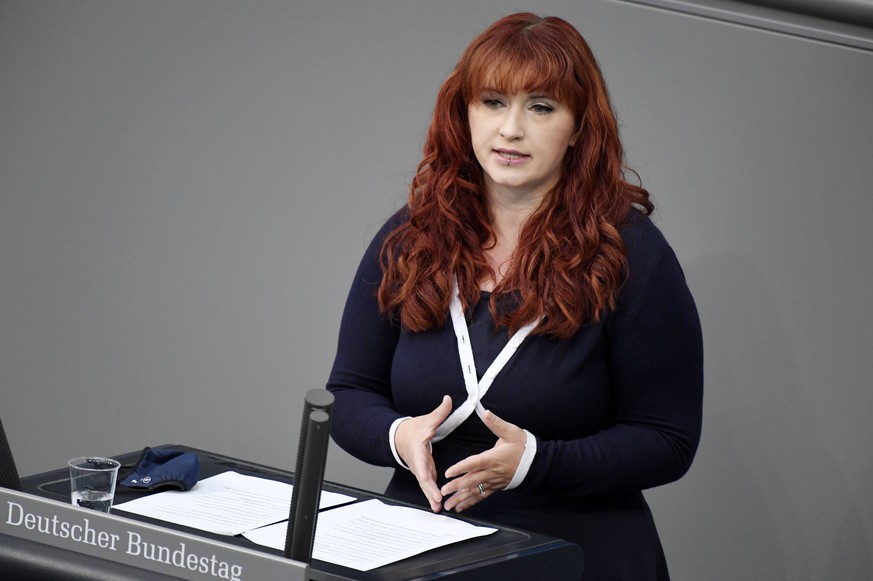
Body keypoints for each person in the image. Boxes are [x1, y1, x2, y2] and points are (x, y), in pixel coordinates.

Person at [326, 12, 702, 580]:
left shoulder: (631, 253)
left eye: (541, 107)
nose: (510, 130)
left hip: (574, 557)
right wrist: (397, 435)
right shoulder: (411, 237)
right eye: (493, 102)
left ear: (578, 127)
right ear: (465, 114)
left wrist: (537, 460)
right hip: (417, 550)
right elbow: (349, 393)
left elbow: (667, 440)